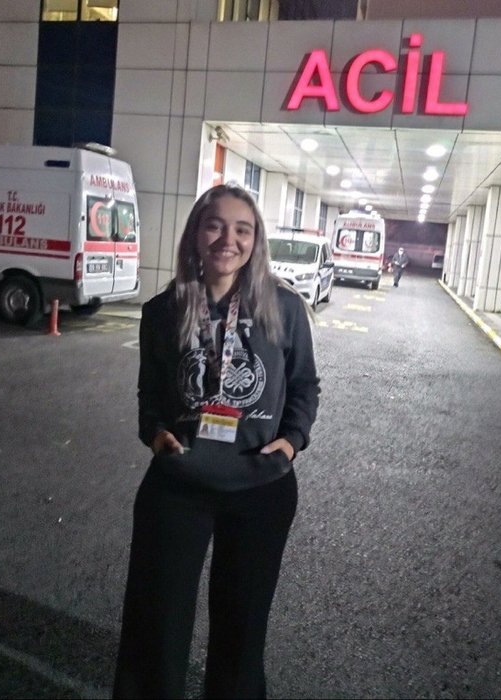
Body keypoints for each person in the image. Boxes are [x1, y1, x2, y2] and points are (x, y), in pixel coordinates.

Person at [113, 183, 320, 699]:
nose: (229, 240)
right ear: (195, 235)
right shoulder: (163, 310)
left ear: (255, 240)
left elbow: (304, 386)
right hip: (178, 485)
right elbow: (149, 392)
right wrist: (155, 434)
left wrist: (291, 442)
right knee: (157, 625)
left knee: (241, 630)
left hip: (260, 487)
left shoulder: (285, 307)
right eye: (215, 226)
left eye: (242, 229)